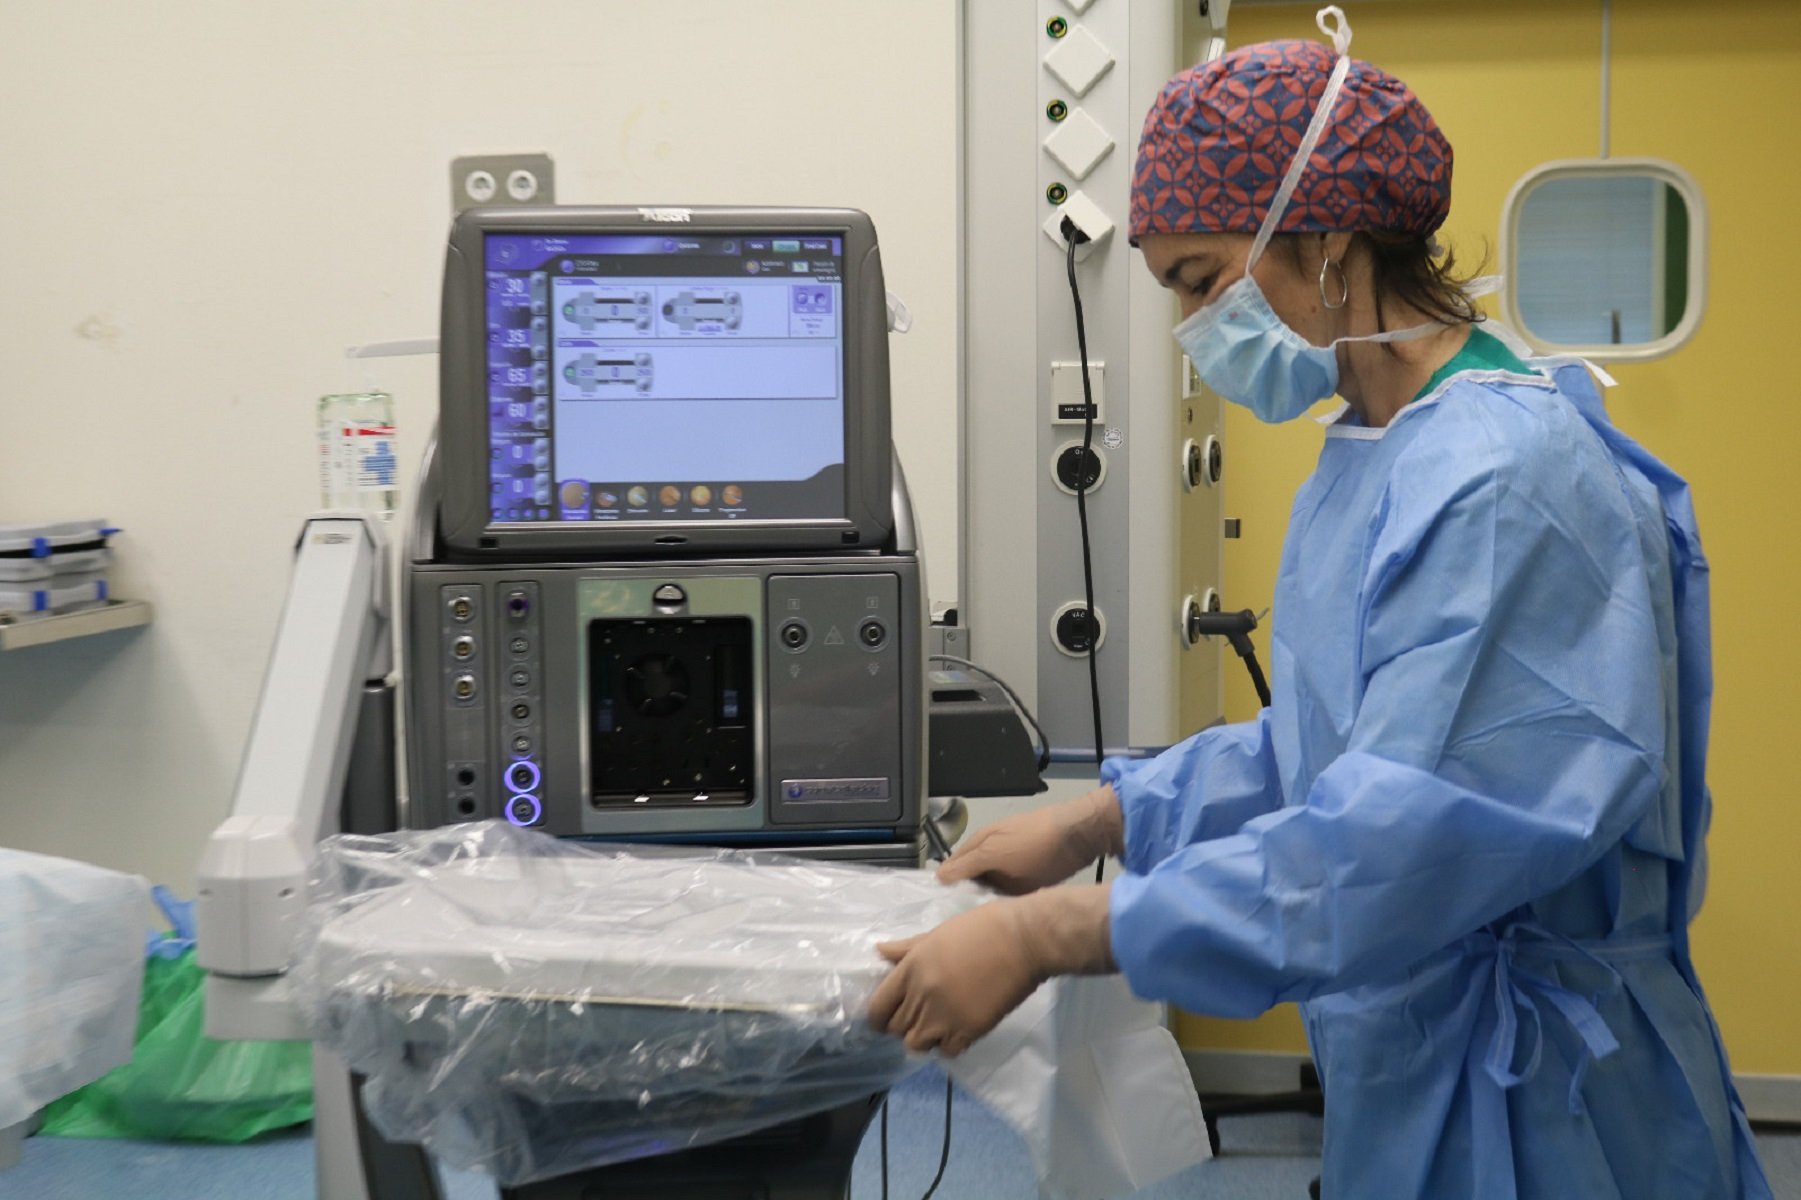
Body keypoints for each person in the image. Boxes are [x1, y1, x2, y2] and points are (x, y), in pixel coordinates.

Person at [867, 9, 1773, 1198]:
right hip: (1420, 1043)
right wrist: (1102, 820)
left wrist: (1054, 935)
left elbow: (1400, 831)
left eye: (1202, 281)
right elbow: (1334, 738)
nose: (1192, 330)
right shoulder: (1376, 447)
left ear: (1329, 244)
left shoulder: (1501, 477)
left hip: (1544, 1098)